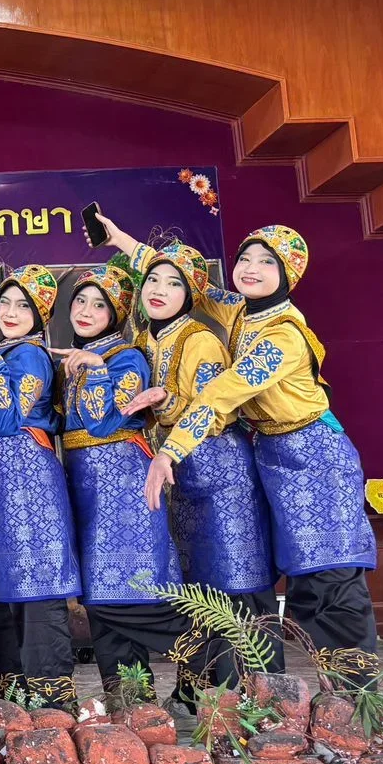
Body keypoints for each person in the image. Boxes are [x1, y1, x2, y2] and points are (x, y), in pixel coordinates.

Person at [104, 216, 380, 684]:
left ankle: (357, 698)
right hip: (272, 455)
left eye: (266, 262)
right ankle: (289, 701)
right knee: (296, 578)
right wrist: (123, 240)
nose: (251, 267)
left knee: (328, 580)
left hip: (315, 455)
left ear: (288, 274)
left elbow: (221, 394)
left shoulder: (283, 337)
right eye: (246, 257)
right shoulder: (241, 309)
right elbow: (186, 280)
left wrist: (169, 451)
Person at [113, 240, 282, 678]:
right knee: (201, 592)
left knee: (237, 584)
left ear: (190, 295)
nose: (159, 289)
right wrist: (118, 237)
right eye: (153, 279)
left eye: (174, 283)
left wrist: (166, 399)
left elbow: (209, 407)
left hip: (221, 471)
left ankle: (262, 697)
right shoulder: (151, 336)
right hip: (184, 473)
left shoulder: (201, 339)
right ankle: (209, 694)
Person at [56, 260, 191, 700]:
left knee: (128, 593)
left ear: (116, 314)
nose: (87, 310)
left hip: (123, 485)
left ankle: (215, 665)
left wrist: (96, 367)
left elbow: (99, 422)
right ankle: (131, 703)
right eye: (81, 300)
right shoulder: (76, 358)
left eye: (100, 305)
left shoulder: (126, 356)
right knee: (100, 596)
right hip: (87, 485)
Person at [0, 265, 82, 711]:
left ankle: (51, 703)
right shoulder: (9, 351)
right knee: (6, 586)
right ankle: (19, 699)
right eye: (5, 302)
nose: (11, 311)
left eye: (23, 305)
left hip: (28, 474)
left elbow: (9, 416)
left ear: (40, 313)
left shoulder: (29, 355)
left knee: (37, 583)